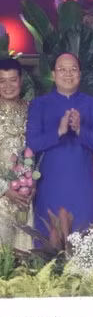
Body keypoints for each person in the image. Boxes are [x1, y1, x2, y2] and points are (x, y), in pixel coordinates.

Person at [26, 53, 93, 235]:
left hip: (83, 183)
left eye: (73, 69)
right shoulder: (39, 105)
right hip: (50, 183)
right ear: (53, 74)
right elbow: (33, 144)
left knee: (84, 236)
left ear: (80, 74)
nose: (68, 74)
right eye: (62, 69)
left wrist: (79, 130)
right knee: (50, 240)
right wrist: (59, 132)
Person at [0, 59, 33, 250]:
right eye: (2, 81)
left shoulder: (32, 111)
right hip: (2, 195)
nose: (8, 86)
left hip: (26, 198)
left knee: (26, 257)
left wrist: (33, 185)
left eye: (12, 80)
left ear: (21, 81)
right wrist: (5, 190)